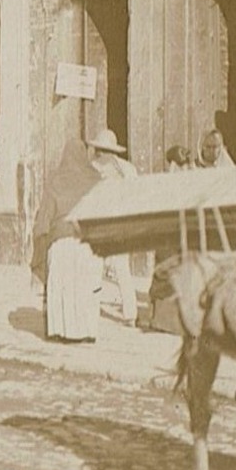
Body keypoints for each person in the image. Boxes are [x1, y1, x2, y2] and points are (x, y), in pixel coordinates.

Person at [31, 137, 104, 344]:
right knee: (84, 285)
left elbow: (45, 214)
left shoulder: (56, 180)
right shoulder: (96, 178)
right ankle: (87, 330)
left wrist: (39, 236)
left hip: (61, 240)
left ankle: (62, 330)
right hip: (87, 241)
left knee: (63, 285)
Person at [88, 128, 142, 327]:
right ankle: (131, 313)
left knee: (94, 268)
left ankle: (91, 309)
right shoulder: (128, 168)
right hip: (120, 223)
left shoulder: (92, 168)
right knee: (123, 270)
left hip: (100, 223)